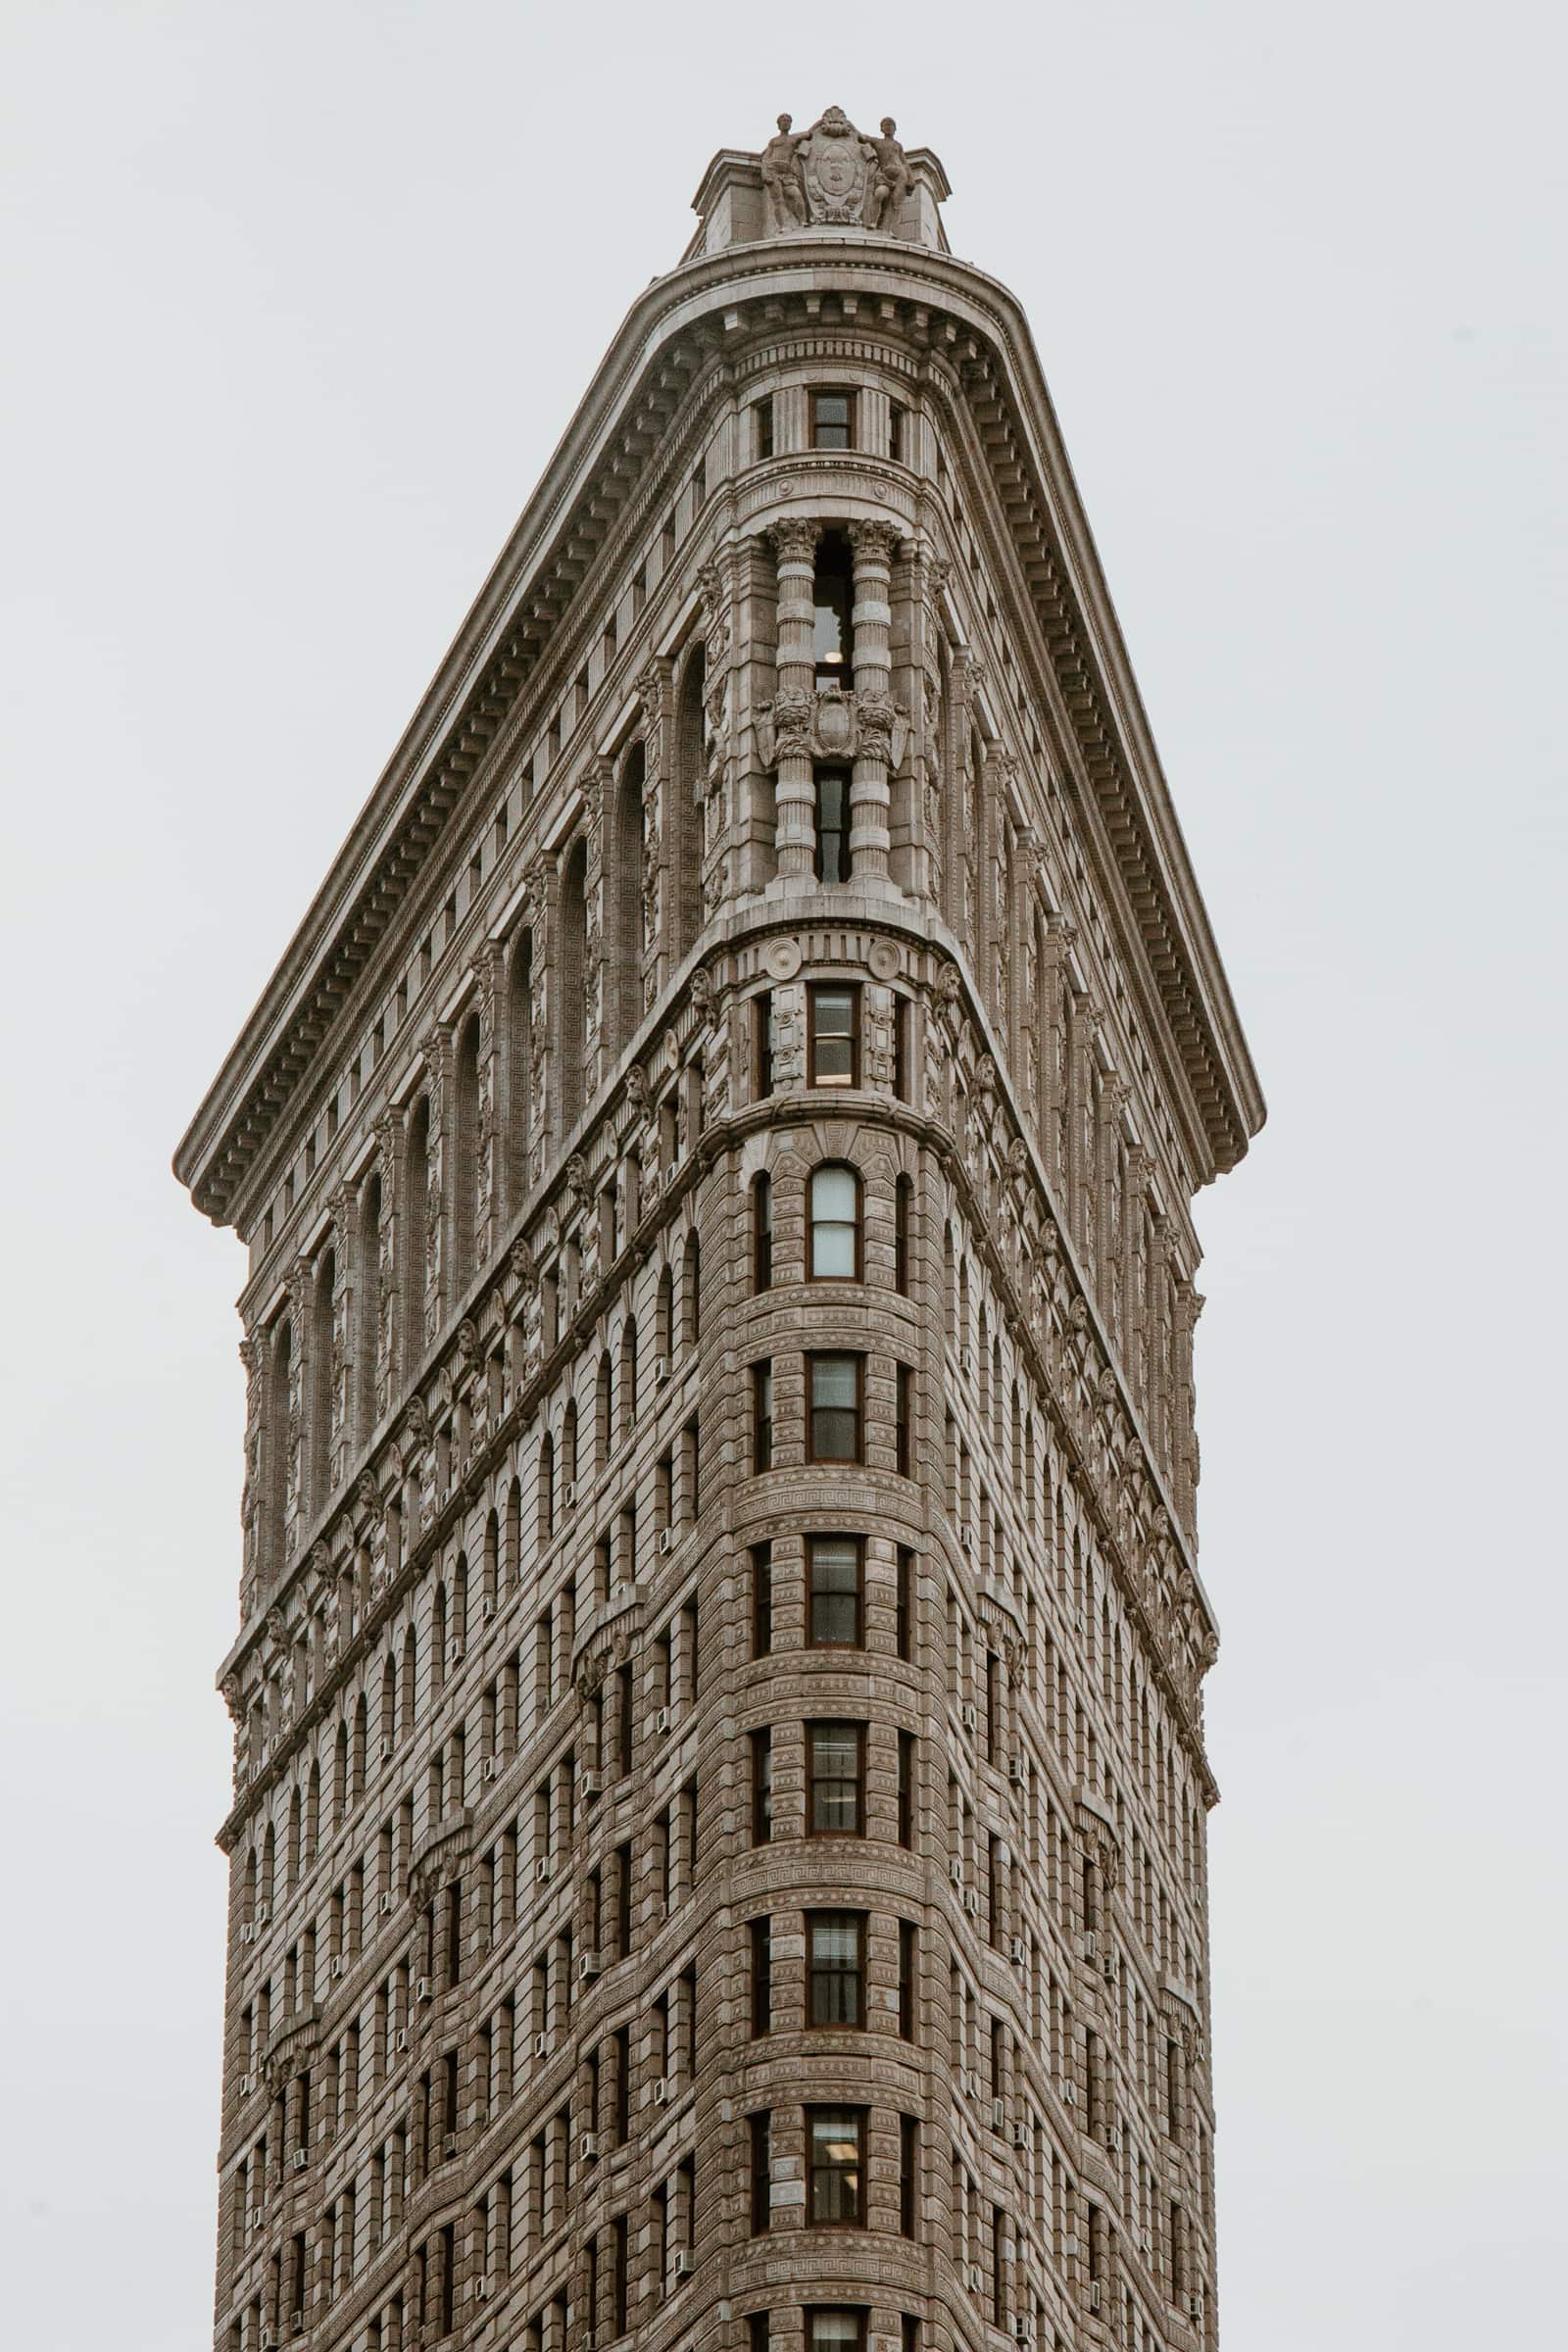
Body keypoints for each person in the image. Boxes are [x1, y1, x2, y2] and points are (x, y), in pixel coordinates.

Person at [761, 113, 806, 231]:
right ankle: (783, 226)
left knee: (797, 196)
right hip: (773, 171)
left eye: (788, 121)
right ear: (778, 125)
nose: (785, 123)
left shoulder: (794, 138)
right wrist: (765, 174)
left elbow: (810, 133)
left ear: (791, 124)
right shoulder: (774, 141)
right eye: (783, 121)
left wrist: (824, 122)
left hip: (787, 172)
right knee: (779, 200)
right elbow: (766, 158)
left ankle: (802, 222)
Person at [866, 117, 911, 228]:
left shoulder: (898, 145)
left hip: (900, 176)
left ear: (895, 129)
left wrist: (910, 178)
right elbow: (864, 138)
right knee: (879, 194)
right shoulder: (878, 142)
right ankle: (873, 222)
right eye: (885, 125)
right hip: (885, 177)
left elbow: (904, 162)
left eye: (891, 125)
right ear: (881, 129)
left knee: (895, 202)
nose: (888, 128)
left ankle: (889, 229)